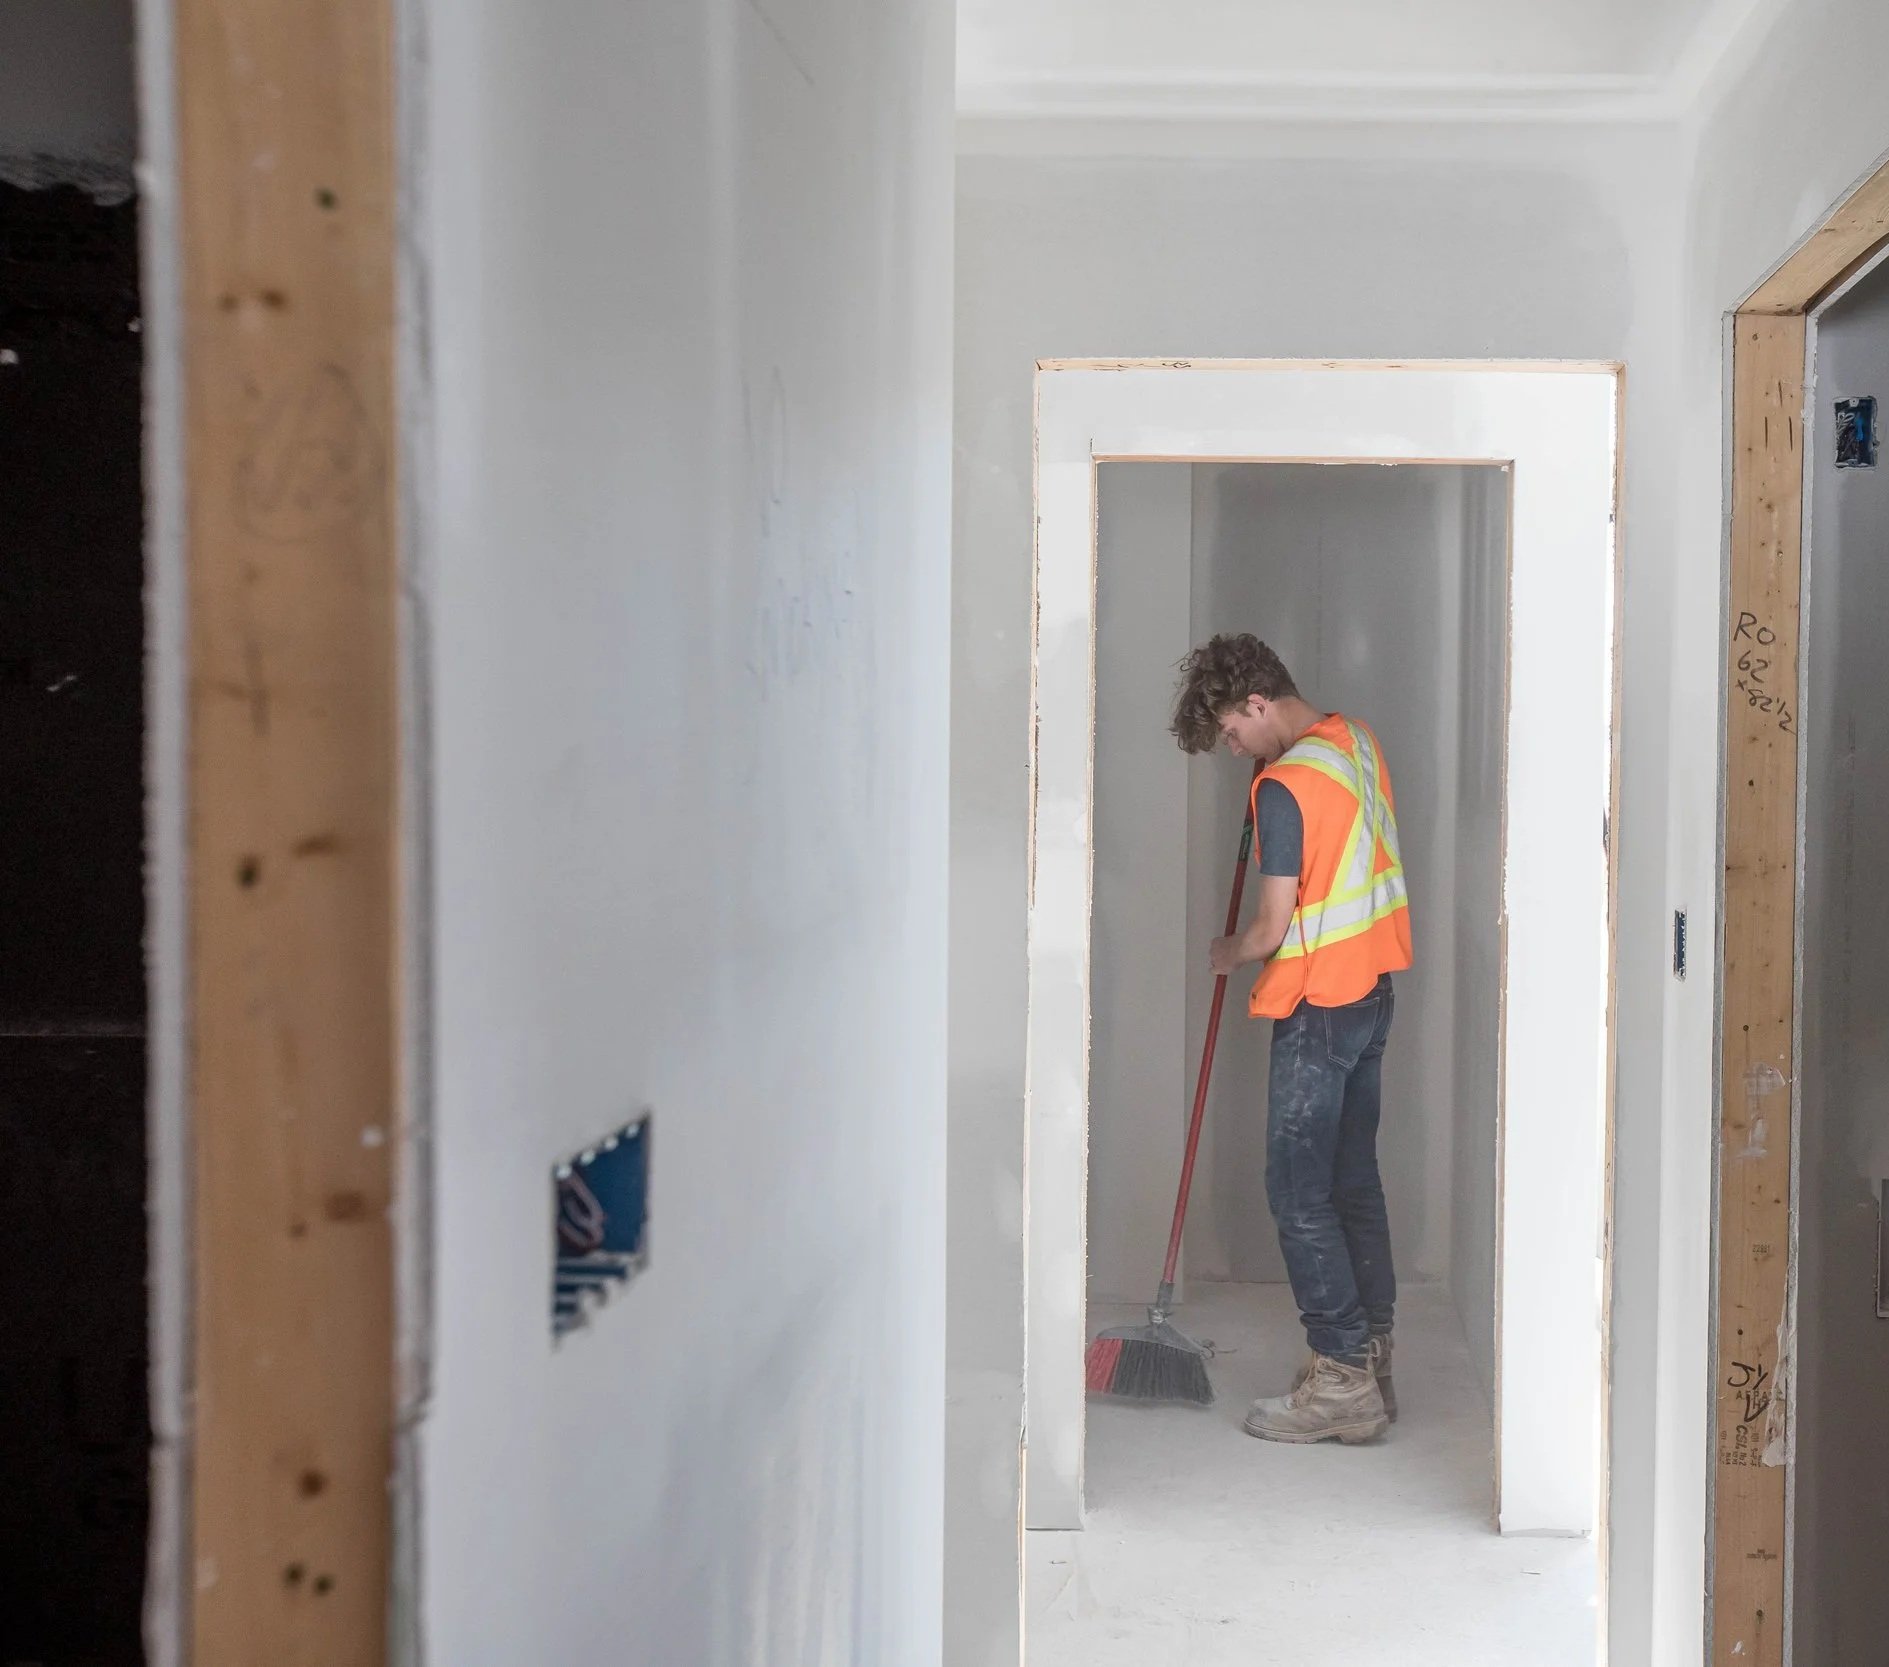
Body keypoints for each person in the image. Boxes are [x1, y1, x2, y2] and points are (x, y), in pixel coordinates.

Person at [1169, 633, 1413, 1445]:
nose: (1231, 748)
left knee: (1296, 1190)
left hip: (1317, 1003)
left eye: (1231, 734)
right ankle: (1370, 1357)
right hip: (1372, 991)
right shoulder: (1354, 742)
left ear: (1256, 702)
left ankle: (1339, 1376)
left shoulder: (1285, 784)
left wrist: (1225, 950)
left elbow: (1271, 928)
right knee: (1351, 1183)